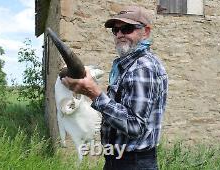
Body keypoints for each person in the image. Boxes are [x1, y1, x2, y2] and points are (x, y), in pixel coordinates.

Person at [62, 5, 168, 170]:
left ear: (145, 32)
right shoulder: (127, 65)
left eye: (127, 29)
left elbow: (135, 126)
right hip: (119, 160)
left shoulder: (143, 67)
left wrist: (94, 93)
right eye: (115, 30)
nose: (119, 34)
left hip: (134, 163)